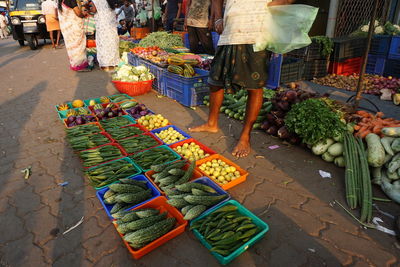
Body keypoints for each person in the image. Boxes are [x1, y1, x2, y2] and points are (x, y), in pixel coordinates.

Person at [189, 0, 295, 158]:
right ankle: (212, 123)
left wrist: (269, 7)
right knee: (215, 81)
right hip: (230, 31)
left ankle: (245, 136)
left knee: (254, 87)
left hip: (257, 34)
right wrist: (218, 18)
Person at [57, 0, 90, 71]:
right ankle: (79, 66)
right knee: (78, 47)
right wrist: (84, 14)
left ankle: (74, 64)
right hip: (74, 27)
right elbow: (78, 13)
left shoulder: (60, 2)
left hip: (67, 29)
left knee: (72, 47)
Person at [90, 0, 119, 71]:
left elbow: (94, 10)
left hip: (102, 26)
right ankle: (113, 64)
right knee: (112, 44)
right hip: (111, 25)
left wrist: (88, 10)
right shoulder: (110, 1)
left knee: (103, 44)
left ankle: (105, 65)